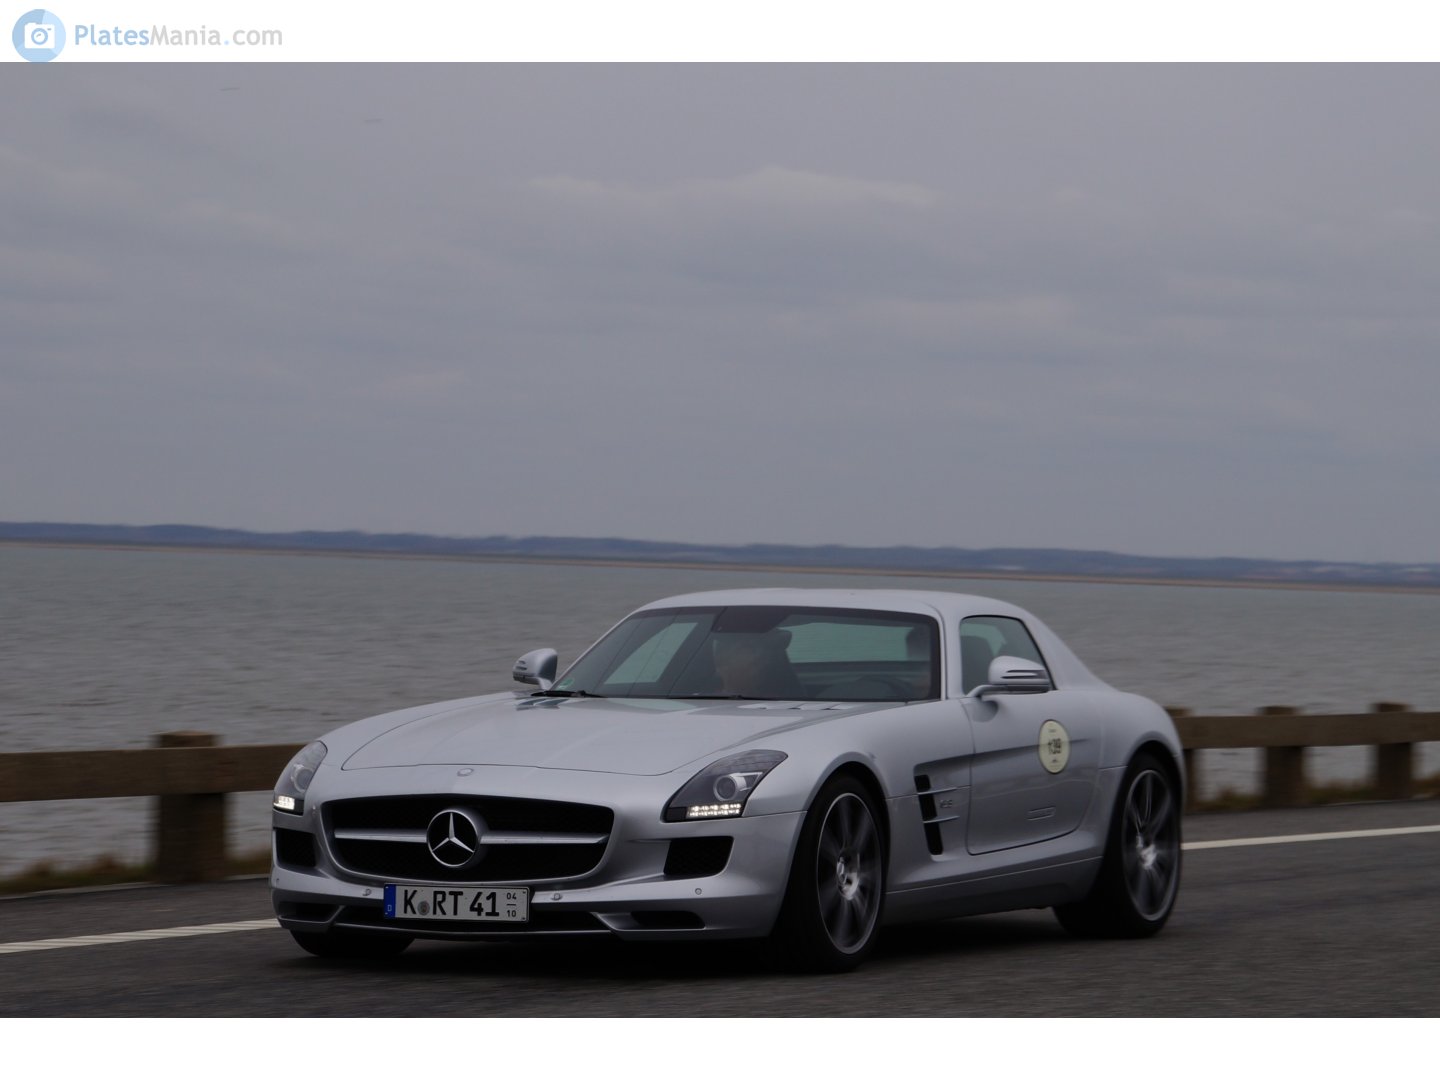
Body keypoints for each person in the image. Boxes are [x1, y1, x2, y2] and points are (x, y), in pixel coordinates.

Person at [711, 630, 804, 699]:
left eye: (764, 658)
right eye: (749, 649)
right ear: (722, 664)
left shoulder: (778, 702)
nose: (759, 656)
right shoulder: (709, 702)